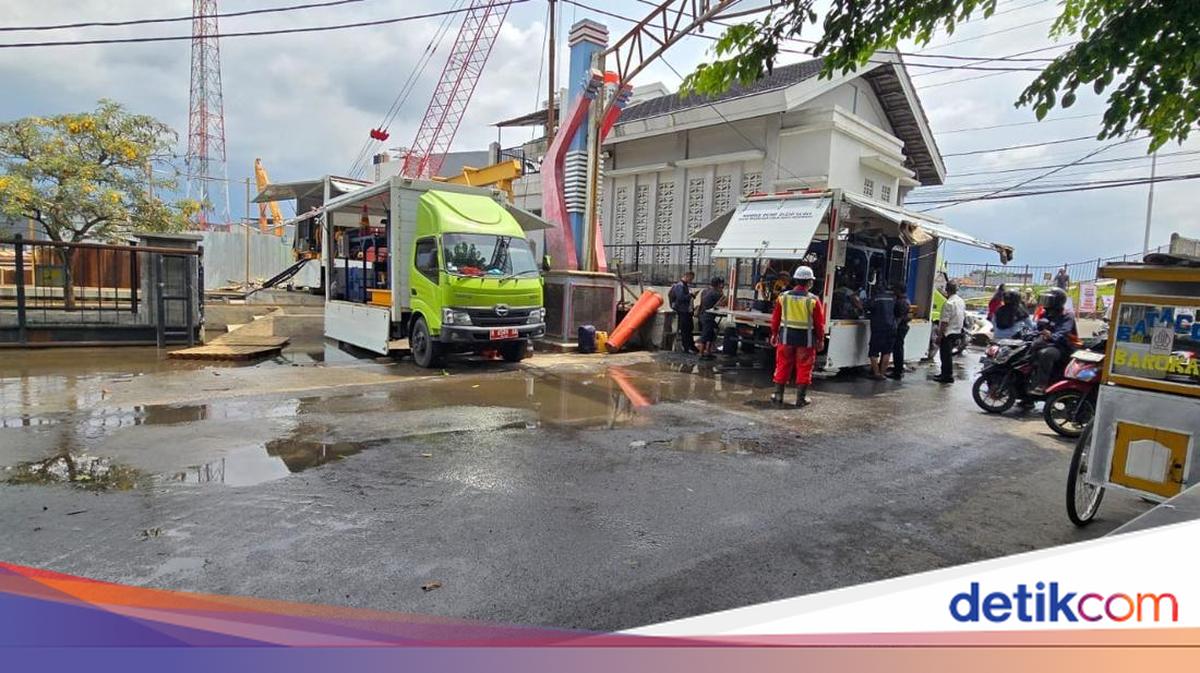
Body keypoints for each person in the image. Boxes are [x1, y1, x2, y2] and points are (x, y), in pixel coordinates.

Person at [769, 266, 826, 407]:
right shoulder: (813, 300)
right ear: (809, 282)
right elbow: (819, 324)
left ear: (795, 280)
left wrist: (774, 334)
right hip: (805, 340)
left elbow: (775, 318)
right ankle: (801, 399)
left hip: (786, 338)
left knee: (782, 364)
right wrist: (821, 339)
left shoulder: (783, 297)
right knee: (804, 367)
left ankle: (778, 396)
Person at [1030, 287, 1080, 395]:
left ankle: (1042, 384)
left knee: (1046, 354)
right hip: (1047, 343)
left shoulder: (1067, 315)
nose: (1045, 302)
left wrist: (1051, 336)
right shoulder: (1044, 314)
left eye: (1049, 299)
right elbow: (1037, 329)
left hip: (1063, 347)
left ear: (1056, 301)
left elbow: (1063, 333)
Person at [933, 281, 965, 383]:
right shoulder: (960, 301)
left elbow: (944, 322)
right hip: (957, 331)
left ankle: (947, 376)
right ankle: (945, 374)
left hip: (948, 332)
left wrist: (940, 336)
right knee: (948, 355)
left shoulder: (948, 303)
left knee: (945, 356)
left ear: (947, 290)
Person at [866, 284, 896, 380]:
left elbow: (866, 308)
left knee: (873, 352)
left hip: (878, 328)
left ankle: (876, 374)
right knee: (886, 352)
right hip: (891, 328)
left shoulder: (875, 299)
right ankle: (883, 374)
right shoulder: (892, 299)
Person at [697, 276, 726, 360]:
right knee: (706, 334)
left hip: (702, 314)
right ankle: (701, 353)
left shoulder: (705, 291)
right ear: (719, 284)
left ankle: (708, 351)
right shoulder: (715, 293)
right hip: (708, 316)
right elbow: (724, 303)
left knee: (712, 332)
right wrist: (722, 295)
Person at [668, 271, 697, 354]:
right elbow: (681, 298)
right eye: (691, 279)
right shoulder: (680, 286)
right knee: (685, 330)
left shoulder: (686, 286)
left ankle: (691, 346)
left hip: (687, 311)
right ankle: (686, 347)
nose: (691, 281)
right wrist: (691, 295)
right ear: (687, 276)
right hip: (682, 311)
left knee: (689, 328)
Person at [889, 284, 911, 380]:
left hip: (900, 327)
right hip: (902, 327)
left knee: (897, 349)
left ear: (899, 290)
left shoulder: (901, 302)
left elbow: (899, 317)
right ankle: (898, 369)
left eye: (895, 289)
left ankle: (898, 371)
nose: (893, 291)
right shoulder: (905, 300)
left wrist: (894, 328)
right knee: (898, 348)